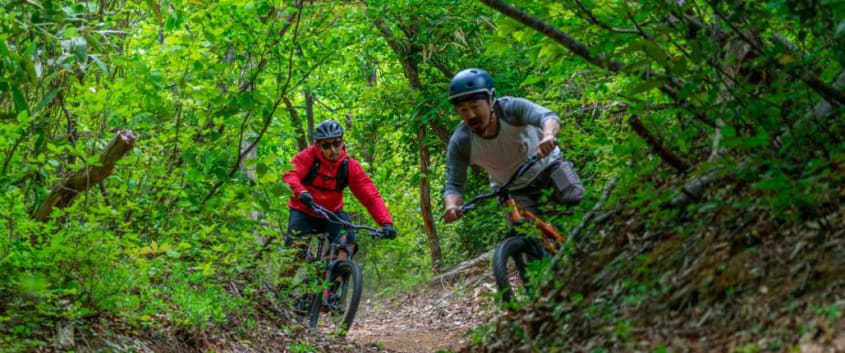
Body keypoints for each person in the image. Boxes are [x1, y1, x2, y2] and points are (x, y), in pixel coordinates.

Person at [442, 68, 585, 223]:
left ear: (490, 100)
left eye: (475, 107)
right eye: (463, 110)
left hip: (551, 167)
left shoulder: (511, 109)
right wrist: (451, 206)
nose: (470, 115)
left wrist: (548, 135)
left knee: (577, 198)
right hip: (514, 191)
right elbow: (454, 184)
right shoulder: (461, 141)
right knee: (523, 233)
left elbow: (547, 117)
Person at [283, 120, 396, 259]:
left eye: (336, 143)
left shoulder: (349, 166)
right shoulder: (308, 157)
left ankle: (329, 277)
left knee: (347, 243)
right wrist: (301, 192)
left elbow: (370, 195)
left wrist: (387, 223)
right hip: (303, 210)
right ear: (318, 145)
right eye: (326, 145)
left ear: (342, 141)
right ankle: (284, 281)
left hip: (332, 213)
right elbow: (289, 174)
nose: (333, 150)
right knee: (294, 252)